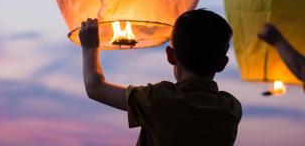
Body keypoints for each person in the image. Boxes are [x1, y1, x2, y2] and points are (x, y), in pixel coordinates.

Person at [79, 9, 242, 146]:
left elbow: (95, 88)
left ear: (171, 56)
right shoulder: (231, 108)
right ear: (222, 63)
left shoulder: (159, 99)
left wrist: (89, 47)